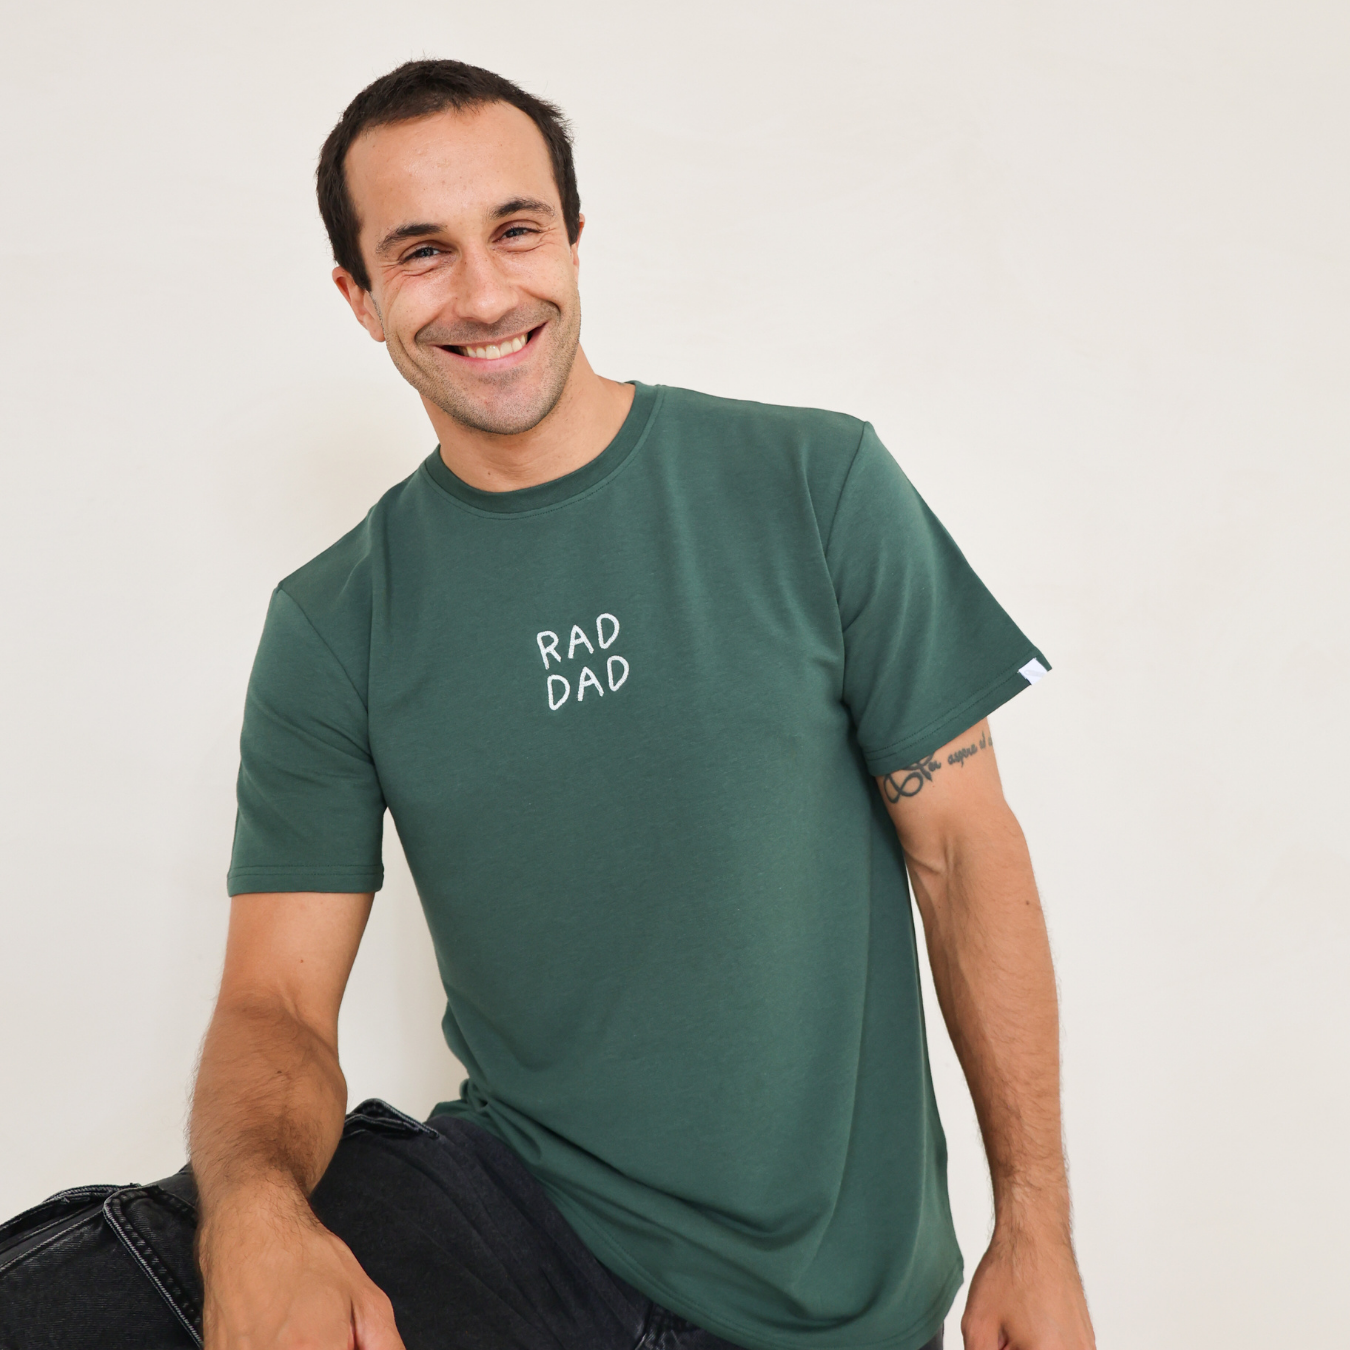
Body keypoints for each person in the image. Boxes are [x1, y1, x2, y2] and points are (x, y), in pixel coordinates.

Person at [0, 59, 1095, 1350]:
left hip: (828, 1304)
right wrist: (252, 1214)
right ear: (358, 298)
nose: (482, 294)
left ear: (574, 237)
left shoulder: (812, 483)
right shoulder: (336, 619)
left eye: (514, 230)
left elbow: (964, 854)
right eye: (421, 252)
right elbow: (274, 1003)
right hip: (515, 1216)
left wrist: (1035, 1229)